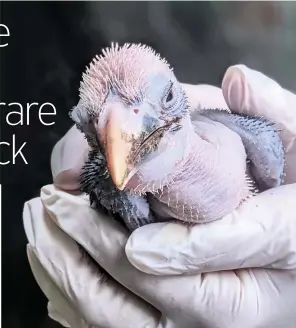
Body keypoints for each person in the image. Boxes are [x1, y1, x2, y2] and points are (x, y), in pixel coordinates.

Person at [23, 65, 296, 328]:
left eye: (166, 98)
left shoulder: (245, 134)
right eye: (97, 125)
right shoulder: (123, 192)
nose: (126, 129)